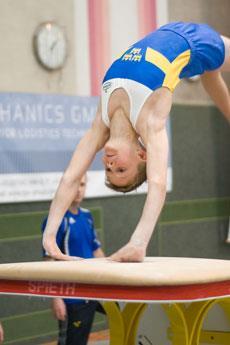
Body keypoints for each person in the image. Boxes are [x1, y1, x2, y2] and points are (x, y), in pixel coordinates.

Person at [43, 21, 230, 263]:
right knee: (211, 72)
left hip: (169, 31)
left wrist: (49, 236)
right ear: (143, 155)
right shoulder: (151, 121)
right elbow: (158, 183)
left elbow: (70, 177)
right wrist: (139, 242)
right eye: (121, 169)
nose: (110, 164)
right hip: (198, 43)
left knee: (211, 75)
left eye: (109, 170)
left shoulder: (101, 124)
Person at [41, 174, 105, 345]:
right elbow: (49, 261)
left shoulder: (87, 216)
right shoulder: (56, 221)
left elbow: (96, 250)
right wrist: (56, 298)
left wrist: (115, 276)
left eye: (82, 185)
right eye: (75, 184)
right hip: (71, 296)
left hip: (92, 292)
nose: (78, 190)